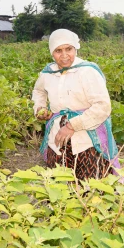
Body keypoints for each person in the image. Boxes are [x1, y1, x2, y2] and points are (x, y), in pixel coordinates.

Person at [32, 29, 119, 180]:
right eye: (58, 50)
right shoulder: (48, 73)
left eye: (69, 49)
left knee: (90, 184)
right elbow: (39, 91)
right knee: (60, 183)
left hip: (87, 138)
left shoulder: (87, 72)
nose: (64, 55)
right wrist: (40, 107)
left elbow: (102, 106)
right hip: (57, 139)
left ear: (75, 48)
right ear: (52, 52)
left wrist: (72, 125)